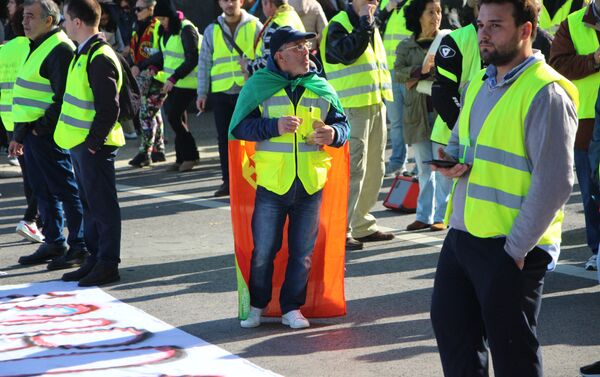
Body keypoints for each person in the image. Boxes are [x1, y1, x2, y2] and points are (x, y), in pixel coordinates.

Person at [429, 0, 578, 374]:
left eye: (495, 26)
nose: (483, 35)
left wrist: (514, 250)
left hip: (513, 247)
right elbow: (465, 141)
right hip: (465, 234)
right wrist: (454, 157)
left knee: (514, 358)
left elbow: (556, 182)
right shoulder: (481, 79)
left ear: (526, 30)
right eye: (480, 25)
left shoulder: (547, 93)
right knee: (455, 337)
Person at [230, 26, 349, 329]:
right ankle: (258, 305)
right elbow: (239, 128)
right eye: (298, 47)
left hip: (310, 183)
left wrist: (333, 133)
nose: (306, 51)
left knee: (302, 253)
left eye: (306, 45)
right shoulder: (258, 85)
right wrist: (272, 126)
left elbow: (343, 127)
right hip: (272, 183)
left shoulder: (321, 86)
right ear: (280, 55)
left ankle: (291, 309)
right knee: (264, 251)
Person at [9, 0, 88, 271]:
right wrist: (20, 134)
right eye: (23, 16)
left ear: (49, 20)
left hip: (48, 135)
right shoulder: (39, 45)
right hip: (34, 134)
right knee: (43, 190)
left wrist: (39, 128)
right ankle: (54, 241)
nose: (24, 21)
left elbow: (63, 96)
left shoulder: (59, 48)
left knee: (65, 189)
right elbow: (30, 94)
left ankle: (79, 245)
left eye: (31, 16)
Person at [56, 0, 124, 286]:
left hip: (93, 146)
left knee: (102, 206)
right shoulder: (84, 52)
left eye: (66, 18)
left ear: (78, 22)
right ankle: (96, 259)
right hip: (83, 145)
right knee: (90, 205)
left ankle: (108, 263)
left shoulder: (99, 55)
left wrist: (94, 143)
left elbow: (110, 107)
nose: (63, 23)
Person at [322, 0, 395, 250]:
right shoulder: (338, 25)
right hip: (351, 108)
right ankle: (340, 230)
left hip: (375, 104)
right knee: (353, 171)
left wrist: (368, 21)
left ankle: (362, 224)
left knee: (376, 168)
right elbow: (346, 53)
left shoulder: (371, 23)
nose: (373, 1)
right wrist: (364, 22)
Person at [549, 0, 600, 272]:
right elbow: (557, 64)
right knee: (592, 188)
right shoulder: (573, 23)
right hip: (588, 124)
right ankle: (596, 248)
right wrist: (593, 60)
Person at [196, 0, 262, 197]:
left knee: (253, 137)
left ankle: (255, 179)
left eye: (233, 0)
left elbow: (263, 56)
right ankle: (228, 181)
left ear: (241, 1)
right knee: (225, 139)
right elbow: (204, 62)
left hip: (247, 90)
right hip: (221, 92)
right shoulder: (211, 30)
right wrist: (202, 93)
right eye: (224, 0)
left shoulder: (255, 25)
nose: (229, 3)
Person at [137, 0, 201, 172]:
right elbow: (162, 55)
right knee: (178, 118)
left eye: (164, 19)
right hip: (173, 82)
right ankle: (181, 158)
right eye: (159, 19)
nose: (161, 22)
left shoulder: (186, 29)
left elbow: (192, 58)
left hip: (188, 82)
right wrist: (149, 66)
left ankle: (191, 155)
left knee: (173, 116)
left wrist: (173, 78)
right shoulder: (162, 30)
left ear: (171, 16)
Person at [0, 5, 44, 243]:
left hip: (8, 119)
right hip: (28, 119)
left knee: (29, 173)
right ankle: (33, 219)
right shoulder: (33, 48)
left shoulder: (3, 51)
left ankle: (35, 220)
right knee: (40, 174)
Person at [128, 0, 168, 167]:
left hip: (157, 76)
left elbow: (162, 53)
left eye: (139, 9)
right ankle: (158, 149)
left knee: (146, 113)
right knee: (153, 113)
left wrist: (143, 67)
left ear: (151, 8)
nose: (136, 12)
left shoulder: (159, 27)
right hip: (143, 74)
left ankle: (145, 152)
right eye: (135, 9)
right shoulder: (138, 26)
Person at [378, 0, 413, 177]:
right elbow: (374, 24)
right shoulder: (385, 3)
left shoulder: (415, 3)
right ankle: (398, 162)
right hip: (388, 71)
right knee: (396, 121)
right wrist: (386, 9)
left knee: (415, 119)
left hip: (408, 70)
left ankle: (422, 164)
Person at [245, 0, 304, 76]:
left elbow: (266, 63)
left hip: (276, 80)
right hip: (296, 74)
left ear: (268, 3)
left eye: (263, 4)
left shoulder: (274, 26)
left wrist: (247, 65)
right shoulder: (292, 15)